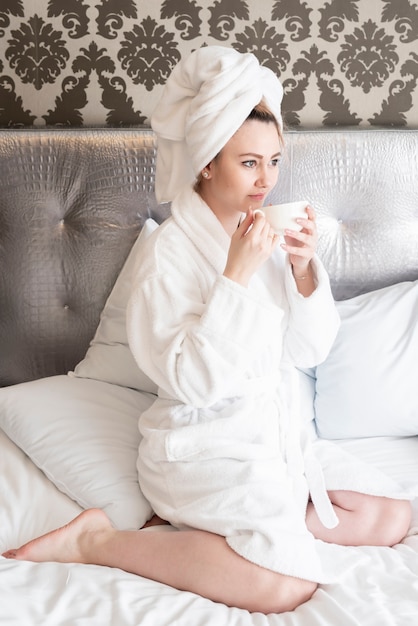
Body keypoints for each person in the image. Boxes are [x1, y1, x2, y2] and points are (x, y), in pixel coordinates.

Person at [2, 46, 411, 614]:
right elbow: (193, 382)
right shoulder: (168, 256)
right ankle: (98, 540)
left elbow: (308, 349)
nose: (266, 179)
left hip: (273, 442)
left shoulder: (263, 235)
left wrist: (300, 272)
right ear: (206, 164)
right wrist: (236, 276)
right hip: (204, 448)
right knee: (283, 586)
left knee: (392, 515)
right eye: (249, 163)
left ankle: (230, 526)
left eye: (273, 160)